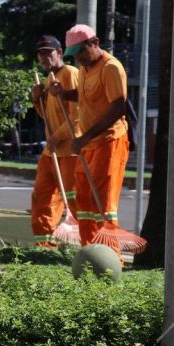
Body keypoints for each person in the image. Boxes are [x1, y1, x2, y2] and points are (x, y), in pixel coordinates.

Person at [48, 24, 130, 247]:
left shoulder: (111, 68)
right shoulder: (85, 68)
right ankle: (90, 252)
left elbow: (118, 107)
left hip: (109, 141)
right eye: (74, 56)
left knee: (103, 203)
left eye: (81, 53)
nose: (79, 60)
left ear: (95, 43)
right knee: (83, 199)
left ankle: (110, 257)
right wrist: (64, 94)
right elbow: (84, 96)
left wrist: (84, 137)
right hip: (88, 142)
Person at [28, 35, 81, 247]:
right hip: (52, 152)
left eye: (48, 53)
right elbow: (50, 118)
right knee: (42, 197)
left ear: (59, 52)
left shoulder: (70, 74)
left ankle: (89, 243)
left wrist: (57, 137)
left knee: (74, 199)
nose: (44, 57)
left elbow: (77, 117)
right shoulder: (49, 78)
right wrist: (36, 99)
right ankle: (44, 246)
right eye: (40, 54)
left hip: (70, 152)